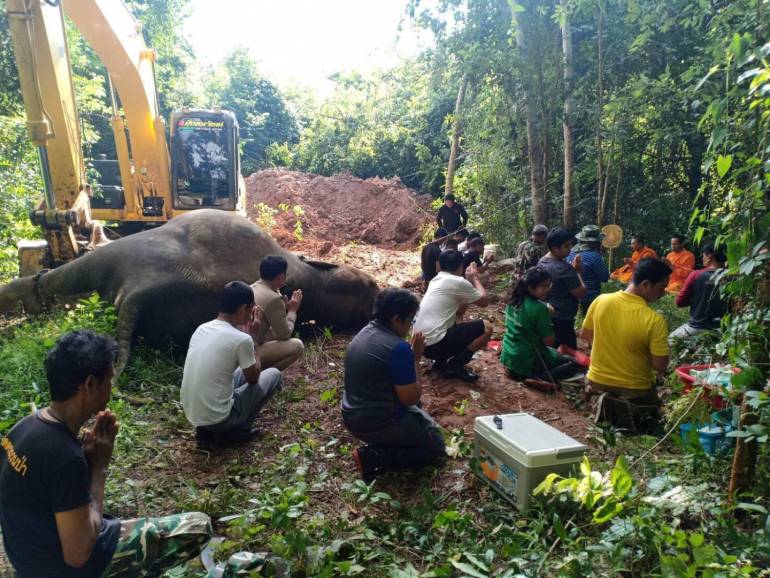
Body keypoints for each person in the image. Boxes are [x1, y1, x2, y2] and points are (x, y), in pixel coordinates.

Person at [0, 330, 212, 578]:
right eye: (110, 380)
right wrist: (98, 468)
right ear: (90, 384)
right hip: (64, 568)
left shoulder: (22, 428)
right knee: (198, 526)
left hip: (30, 560)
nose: (112, 387)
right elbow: (78, 555)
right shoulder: (64, 456)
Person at [342, 288, 445, 481]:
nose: (410, 326)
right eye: (410, 320)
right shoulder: (398, 348)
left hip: (352, 412)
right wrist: (415, 358)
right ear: (396, 319)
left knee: (420, 419)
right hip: (376, 422)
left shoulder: (365, 332)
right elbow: (411, 398)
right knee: (437, 446)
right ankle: (373, 457)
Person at [181, 281, 283, 447]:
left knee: (236, 371)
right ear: (243, 309)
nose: (252, 313)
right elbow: (253, 378)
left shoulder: (202, 329)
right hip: (219, 418)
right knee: (274, 375)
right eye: (251, 308)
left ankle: (206, 432)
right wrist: (254, 338)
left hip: (194, 416)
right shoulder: (241, 339)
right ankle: (237, 431)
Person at [582, 258, 672, 428]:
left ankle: (602, 400)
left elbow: (586, 334)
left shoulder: (601, 300)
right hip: (635, 391)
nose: (663, 293)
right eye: (661, 287)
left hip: (596, 381)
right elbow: (660, 366)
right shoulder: (653, 320)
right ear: (646, 284)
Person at [413, 250, 493, 381]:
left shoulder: (436, 279)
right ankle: (454, 366)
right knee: (487, 327)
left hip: (421, 346)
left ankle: (440, 362)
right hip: (435, 345)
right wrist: (475, 278)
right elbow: (484, 301)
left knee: (456, 320)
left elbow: (460, 311)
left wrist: (468, 284)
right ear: (460, 266)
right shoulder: (458, 282)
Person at [500, 267, 582, 384]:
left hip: (509, 355)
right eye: (543, 286)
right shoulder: (539, 309)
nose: (547, 289)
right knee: (573, 364)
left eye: (549, 285)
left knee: (554, 353)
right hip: (527, 358)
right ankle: (540, 377)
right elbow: (549, 341)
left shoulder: (513, 299)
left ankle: (518, 372)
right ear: (530, 287)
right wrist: (549, 317)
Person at [251, 256, 305, 370]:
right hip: (250, 353)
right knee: (297, 346)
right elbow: (285, 334)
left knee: (271, 330)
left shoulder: (253, 287)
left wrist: (283, 307)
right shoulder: (274, 299)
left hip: (245, 344)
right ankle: (263, 374)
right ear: (280, 278)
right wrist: (292, 310)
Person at [537, 228, 587, 349]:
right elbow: (580, 292)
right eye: (566, 247)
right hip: (562, 317)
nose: (570, 250)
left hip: (547, 312)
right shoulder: (564, 269)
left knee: (553, 348)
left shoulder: (542, 261)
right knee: (569, 351)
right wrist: (578, 272)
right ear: (555, 248)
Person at [669, 244, 728, 343]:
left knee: (668, 342)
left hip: (698, 326)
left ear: (709, 256)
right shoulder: (734, 276)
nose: (703, 258)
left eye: (704, 255)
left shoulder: (696, 275)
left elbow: (679, 302)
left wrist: (697, 298)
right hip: (725, 328)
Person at [567, 225, 610, 313]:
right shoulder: (594, 256)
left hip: (571, 294)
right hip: (589, 297)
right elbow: (605, 277)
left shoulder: (570, 252)